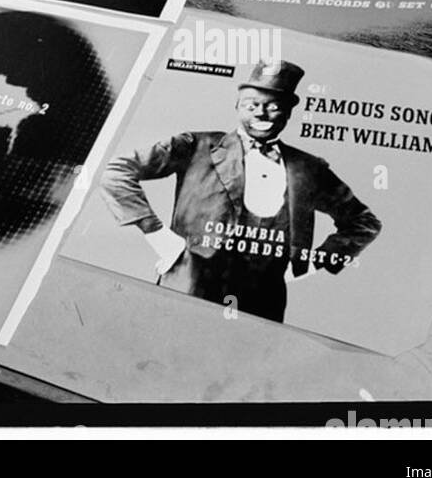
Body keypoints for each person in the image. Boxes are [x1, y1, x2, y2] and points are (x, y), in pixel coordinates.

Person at [101, 61, 382, 323]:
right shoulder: (195, 146)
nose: (260, 113)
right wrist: (157, 235)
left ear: (288, 112)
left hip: (264, 299)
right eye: (251, 105)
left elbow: (363, 222)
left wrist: (316, 261)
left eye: (272, 106)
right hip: (190, 283)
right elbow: (116, 171)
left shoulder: (309, 168)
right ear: (237, 106)